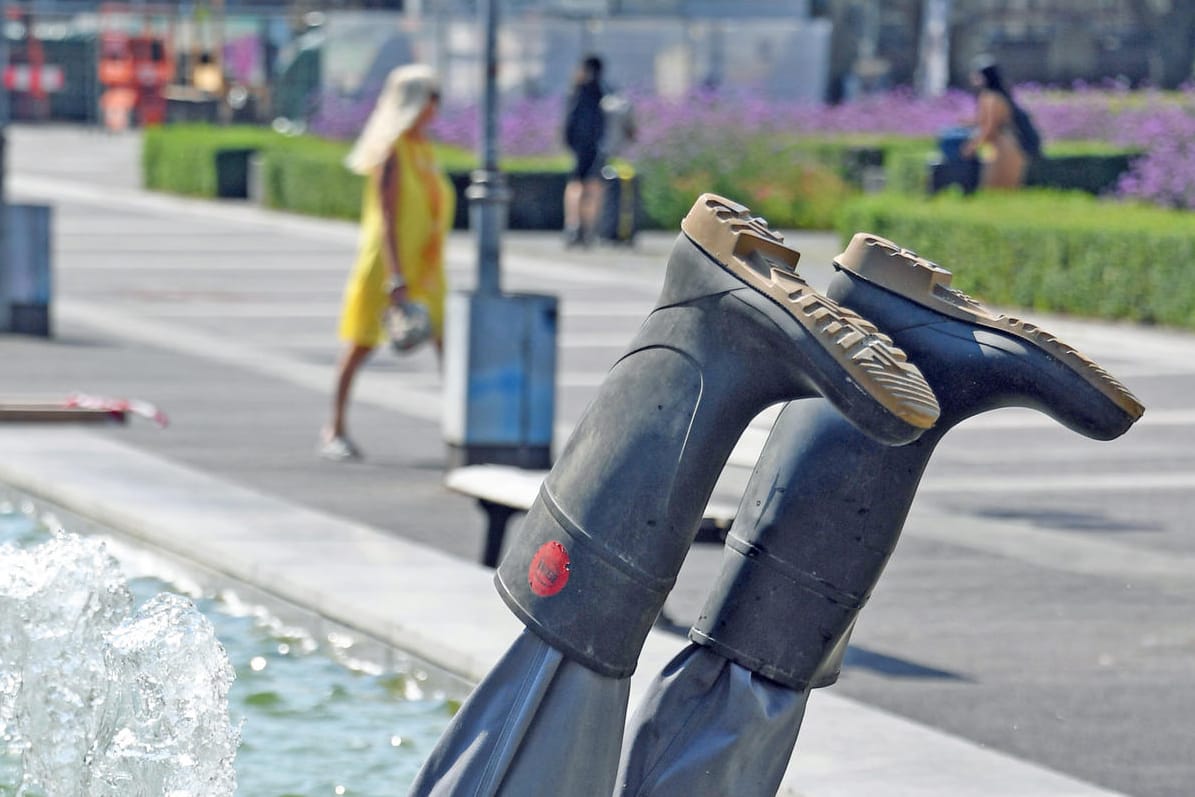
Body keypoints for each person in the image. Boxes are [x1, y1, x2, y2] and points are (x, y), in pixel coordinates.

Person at [319, 63, 454, 461]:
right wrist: (395, 276)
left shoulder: (423, 149)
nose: (437, 107)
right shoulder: (392, 152)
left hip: (427, 267)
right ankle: (335, 427)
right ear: (416, 103)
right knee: (361, 344)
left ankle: (458, 431)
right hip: (390, 265)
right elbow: (389, 218)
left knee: (449, 346)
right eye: (433, 98)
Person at [961, 57, 1028, 189]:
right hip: (1000, 146)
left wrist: (972, 147)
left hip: (1003, 147)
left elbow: (990, 128)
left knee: (996, 187)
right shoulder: (992, 96)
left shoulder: (991, 98)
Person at [562, 54, 606, 248]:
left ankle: (573, 225)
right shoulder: (603, 91)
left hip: (580, 146)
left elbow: (570, 121)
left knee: (576, 185)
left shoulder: (578, 91)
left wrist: (570, 142)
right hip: (598, 146)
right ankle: (588, 228)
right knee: (594, 187)